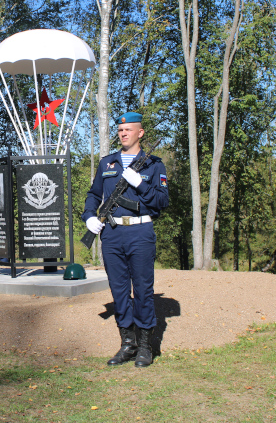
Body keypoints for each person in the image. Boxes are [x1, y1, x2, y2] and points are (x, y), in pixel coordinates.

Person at [82, 112, 169, 368]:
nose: (123, 133)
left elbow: (162, 201)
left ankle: (145, 346)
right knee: (119, 290)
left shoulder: (154, 165)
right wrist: (89, 216)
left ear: (140, 133)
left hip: (140, 234)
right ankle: (127, 344)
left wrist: (140, 186)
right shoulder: (107, 163)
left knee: (142, 290)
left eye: (128, 130)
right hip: (112, 234)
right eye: (120, 130)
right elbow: (93, 194)